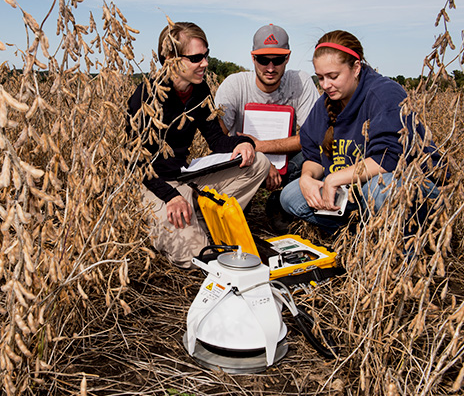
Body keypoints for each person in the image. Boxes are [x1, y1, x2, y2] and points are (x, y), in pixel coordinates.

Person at [126, 22, 271, 268]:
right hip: (154, 188)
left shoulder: (199, 89)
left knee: (259, 162)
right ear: (170, 59)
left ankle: (199, 218)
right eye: (195, 58)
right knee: (198, 257)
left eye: (206, 56)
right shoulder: (145, 97)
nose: (204, 63)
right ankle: (178, 223)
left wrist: (245, 142)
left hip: (185, 179)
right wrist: (170, 196)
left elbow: (216, 140)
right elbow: (135, 164)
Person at [280, 30, 444, 234]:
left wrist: (333, 179)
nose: (325, 85)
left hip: (410, 186)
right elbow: (314, 154)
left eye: (333, 76)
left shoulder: (384, 93)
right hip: (351, 188)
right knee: (291, 196)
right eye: (320, 78)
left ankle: (407, 245)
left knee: (379, 188)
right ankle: (358, 235)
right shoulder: (325, 103)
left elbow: (390, 159)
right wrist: (306, 178)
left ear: (356, 67)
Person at [214, 24, 319, 231]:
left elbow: (313, 137)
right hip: (245, 163)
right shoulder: (235, 84)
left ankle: (280, 203)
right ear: (253, 58)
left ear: (287, 58)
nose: (270, 68)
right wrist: (260, 161)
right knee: (232, 226)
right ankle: (243, 200)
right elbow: (217, 139)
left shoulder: (301, 82)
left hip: (287, 164)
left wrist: (260, 146)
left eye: (278, 60)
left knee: (315, 156)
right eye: (263, 60)